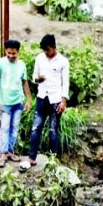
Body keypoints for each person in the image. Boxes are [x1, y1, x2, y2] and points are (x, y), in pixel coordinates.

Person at [22, 34, 69, 171]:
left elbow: (65, 82)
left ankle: (53, 160)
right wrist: (38, 80)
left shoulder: (63, 61)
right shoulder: (39, 58)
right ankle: (31, 158)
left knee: (53, 130)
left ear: (54, 47)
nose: (46, 53)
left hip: (55, 99)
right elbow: (34, 77)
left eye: (48, 50)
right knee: (36, 129)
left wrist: (63, 101)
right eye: (44, 50)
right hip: (42, 98)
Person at [0, 39, 31, 167]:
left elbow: (25, 82)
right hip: (5, 103)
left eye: (13, 53)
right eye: (8, 53)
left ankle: (10, 151)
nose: (10, 55)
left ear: (18, 52)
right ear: (5, 51)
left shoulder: (22, 65)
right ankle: (3, 154)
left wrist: (28, 100)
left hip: (18, 102)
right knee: (4, 128)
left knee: (14, 128)